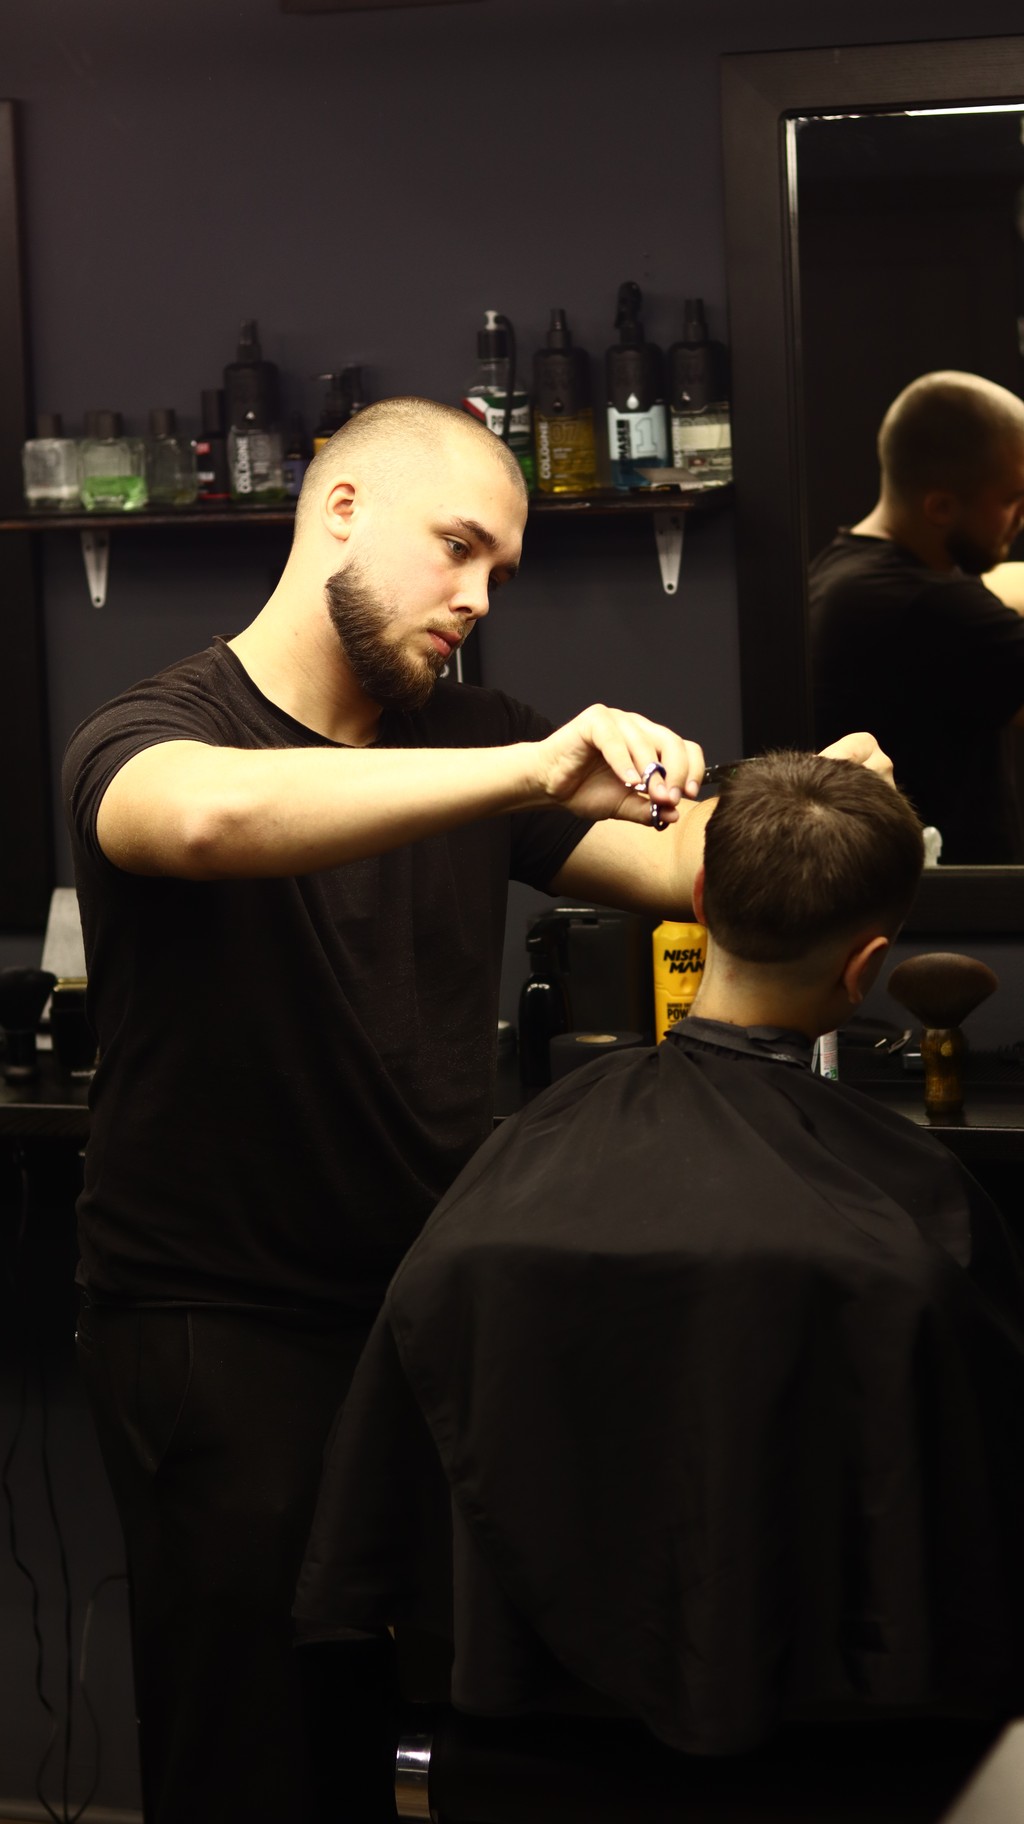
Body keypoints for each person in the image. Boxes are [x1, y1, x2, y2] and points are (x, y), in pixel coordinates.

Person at [63, 396, 884, 1823]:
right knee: (256, 1754)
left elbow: (693, 876)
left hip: (415, 1318)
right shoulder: (155, 728)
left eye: (499, 570)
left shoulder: (474, 736)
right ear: (337, 511)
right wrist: (526, 771)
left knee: (421, 1745)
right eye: (456, 550)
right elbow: (197, 820)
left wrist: (822, 812)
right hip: (218, 1328)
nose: (476, 597)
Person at [296, 752, 1024, 1760]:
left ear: (691, 900)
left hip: (538, 1735)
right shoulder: (910, 1217)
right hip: (835, 1747)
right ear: (866, 966)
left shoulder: (520, 1166)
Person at [809, 369, 1024, 861]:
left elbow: (997, 588)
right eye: (1012, 499)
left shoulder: (849, 569)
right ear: (941, 507)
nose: (1021, 517)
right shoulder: (929, 607)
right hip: (952, 919)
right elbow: (965, 606)